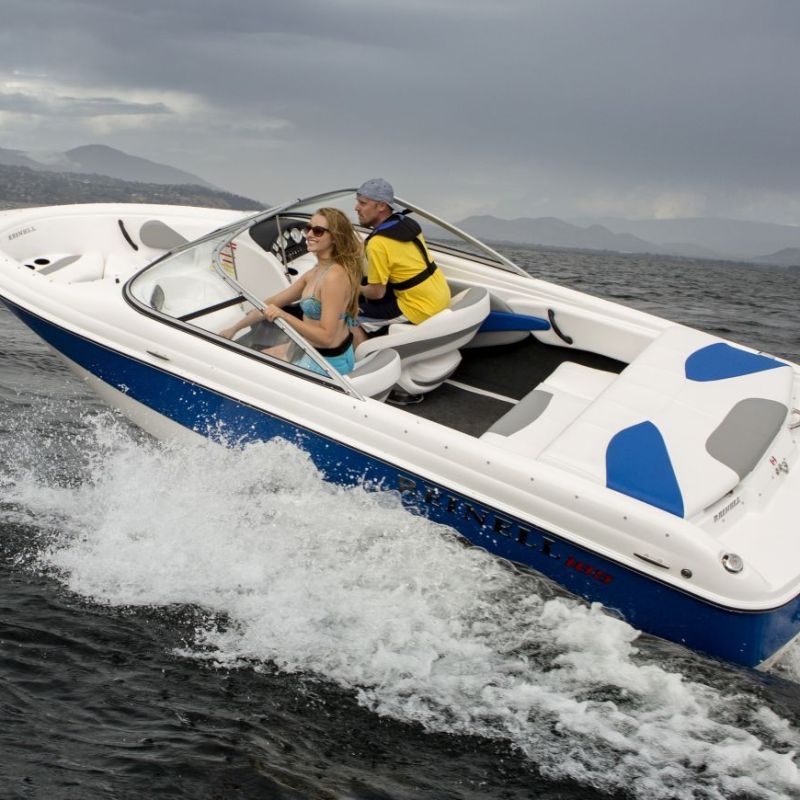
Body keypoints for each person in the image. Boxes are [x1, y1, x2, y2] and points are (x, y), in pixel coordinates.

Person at [219, 208, 363, 376]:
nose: (309, 234)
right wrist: (234, 328)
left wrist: (283, 316)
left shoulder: (334, 278)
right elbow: (272, 303)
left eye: (318, 231)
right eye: (308, 228)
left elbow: (327, 337)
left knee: (251, 371)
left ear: (335, 238)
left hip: (326, 364)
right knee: (254, 358)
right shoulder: (316, 271)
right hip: (311, 349)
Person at [353, 178, 451, 347]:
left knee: (345, 316)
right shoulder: (404, 222)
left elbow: (376, 293)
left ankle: (362, 362)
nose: (356, 207)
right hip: (440, 294)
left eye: (362, 203)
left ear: (381, 206)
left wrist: (351, 287)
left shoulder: (378, 244)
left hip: (418, 307)